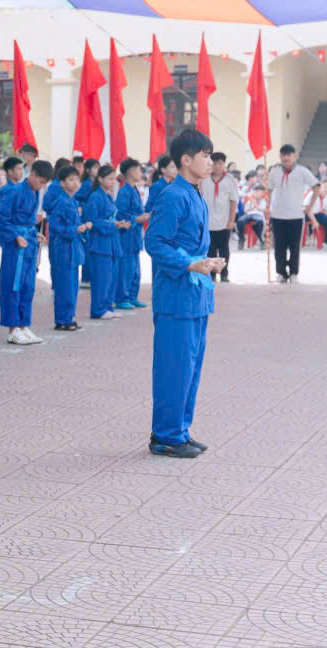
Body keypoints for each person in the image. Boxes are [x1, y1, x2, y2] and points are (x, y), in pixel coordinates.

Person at [146, 129, 225, 458]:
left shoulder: (194, 193)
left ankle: (179, 430)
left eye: (210, 155)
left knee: (190, 368)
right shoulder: (173, 195)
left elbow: (190, 245)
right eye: (205, 156)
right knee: (174, 367)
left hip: (195, 295)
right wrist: (189, 264)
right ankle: (166, 435)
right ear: (185, 160)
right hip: (176, 295)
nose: (210, 161)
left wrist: (207, 262)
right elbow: (154, 242)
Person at [0, 159, 52, 345]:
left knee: (28, 287)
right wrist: (15, 236)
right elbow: (2, 217)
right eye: (41, 181)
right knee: (13, 285)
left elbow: (28, 221)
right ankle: (12, 329)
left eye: (44, 183)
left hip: (28, 243)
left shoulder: (34, 192)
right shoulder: (14, 191)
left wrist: (35, 233)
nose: (41, 186)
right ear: (33, 175)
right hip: (16, 247)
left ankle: (23, 325)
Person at [47, 165, 91, 331]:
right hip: (63, 249)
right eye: (71, 180)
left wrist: (81, 227)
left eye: (77, 179)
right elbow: (54, 225)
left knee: (72, 285)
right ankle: (62, 319)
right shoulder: (61, 201)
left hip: (73, 248)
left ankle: (69, 317)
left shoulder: (72, 200)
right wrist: (74, 229)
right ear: (62, 183)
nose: (75, 183)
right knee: (64, 286)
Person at [269, 144, 317, 284]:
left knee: (295, 247)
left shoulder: (302, 171)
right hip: (278, 215)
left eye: (289, 155)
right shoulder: (274, 172)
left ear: (294, 156)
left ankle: (294, 273)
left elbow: (317, 186)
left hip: (296, 215)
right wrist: (267, 207)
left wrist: (310, 206)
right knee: (279, 247)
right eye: (283, 155)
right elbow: (268, 189)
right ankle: (281, 273)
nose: (286, 158)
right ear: (280, 156)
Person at [83, 165, 125, 321]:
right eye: (110, 178)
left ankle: (107, 306)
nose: (113, 182)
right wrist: (112, 225)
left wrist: (118, 223)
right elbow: (91, 220)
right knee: (102, 279)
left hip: (112, 243)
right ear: (100, 179)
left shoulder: (107, 196)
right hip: (101, 244)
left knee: (111, 278)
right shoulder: (95, 197)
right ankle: (98, 309)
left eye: (114, 179)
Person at [115, 158, 149, 310]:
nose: (140, 173)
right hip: (126, 235)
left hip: (135, 235)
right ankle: (121, 298)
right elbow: (121, 214)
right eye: (138, 170)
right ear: (130, 171)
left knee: (135, 268)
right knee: (126, 268)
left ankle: (132, 296)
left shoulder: (134, 189)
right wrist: (137, 219)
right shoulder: (124, 191)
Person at [201, 152, 239, 282]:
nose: (217, 166)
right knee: (210, 249)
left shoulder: (229, 180)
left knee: (224, 249)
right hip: (208, 221)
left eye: (220, 163)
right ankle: (211, 274)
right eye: (215, 163)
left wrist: (231, 220)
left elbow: (233, 201)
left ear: (224, 165)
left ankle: (224, 274)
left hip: (224, 221)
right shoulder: (204, 178)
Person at [308, 179, 327, 250]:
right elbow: (308, 209)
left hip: (317, 214)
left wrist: (326, 218)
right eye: (325, 187)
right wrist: (314, 221)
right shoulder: (313, 194)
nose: (326, 189)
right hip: (307, 213)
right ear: (320, 186)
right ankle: (309, 234)